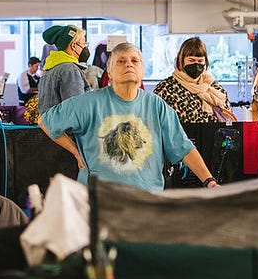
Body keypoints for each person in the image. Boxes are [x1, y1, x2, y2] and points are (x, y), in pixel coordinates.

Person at [39, 42, 218, 192]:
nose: (129, 65)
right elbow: (45, 121)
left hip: (147, 199)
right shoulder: (88, 103)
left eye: (134, 61)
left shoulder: (156, 105)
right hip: (100, 201)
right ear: (109, 71)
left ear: (142, 69)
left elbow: (183, 148)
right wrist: (75, 151)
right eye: (121, 61)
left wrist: (209, 181)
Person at [153, 37, 231, 123]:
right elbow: (155, 120)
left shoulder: (216, 89)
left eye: (200, 61)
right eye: (191, 60)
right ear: (181, 60)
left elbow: (228, 121)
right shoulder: (165, 89)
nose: (196, 64)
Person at [37, 25, 91, 114]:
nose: (85, 47)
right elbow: (76, 110)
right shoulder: (70, 70)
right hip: (67, 128)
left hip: (51, 126)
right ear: (73, 45)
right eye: (84, 43)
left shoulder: (50, 68)